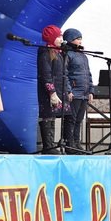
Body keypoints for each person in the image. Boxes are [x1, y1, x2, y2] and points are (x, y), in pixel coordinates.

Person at [36, 24, 68, 154]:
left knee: (52, 117)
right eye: (59, 37)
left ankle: (51, 145)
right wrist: (52, 92)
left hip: (57, 90)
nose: (61, 39)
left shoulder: (58, 53)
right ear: (51, 38)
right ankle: (48, 146)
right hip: (48, 92)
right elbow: (46, 74)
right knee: (47, 116)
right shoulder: (45, 53)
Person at [61, 28, 94, 152]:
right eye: (77, 39)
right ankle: (69, 144)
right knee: (71, 119)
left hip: (84, 93)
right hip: (74, 93)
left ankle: (76, 142)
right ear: (70, 40)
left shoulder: (83, 56)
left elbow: (88, 74)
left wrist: (91, 90)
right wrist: (68, 90)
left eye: (81, 39)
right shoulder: (67, 54)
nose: (80, 41)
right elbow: (64, 74)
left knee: (79, 120)